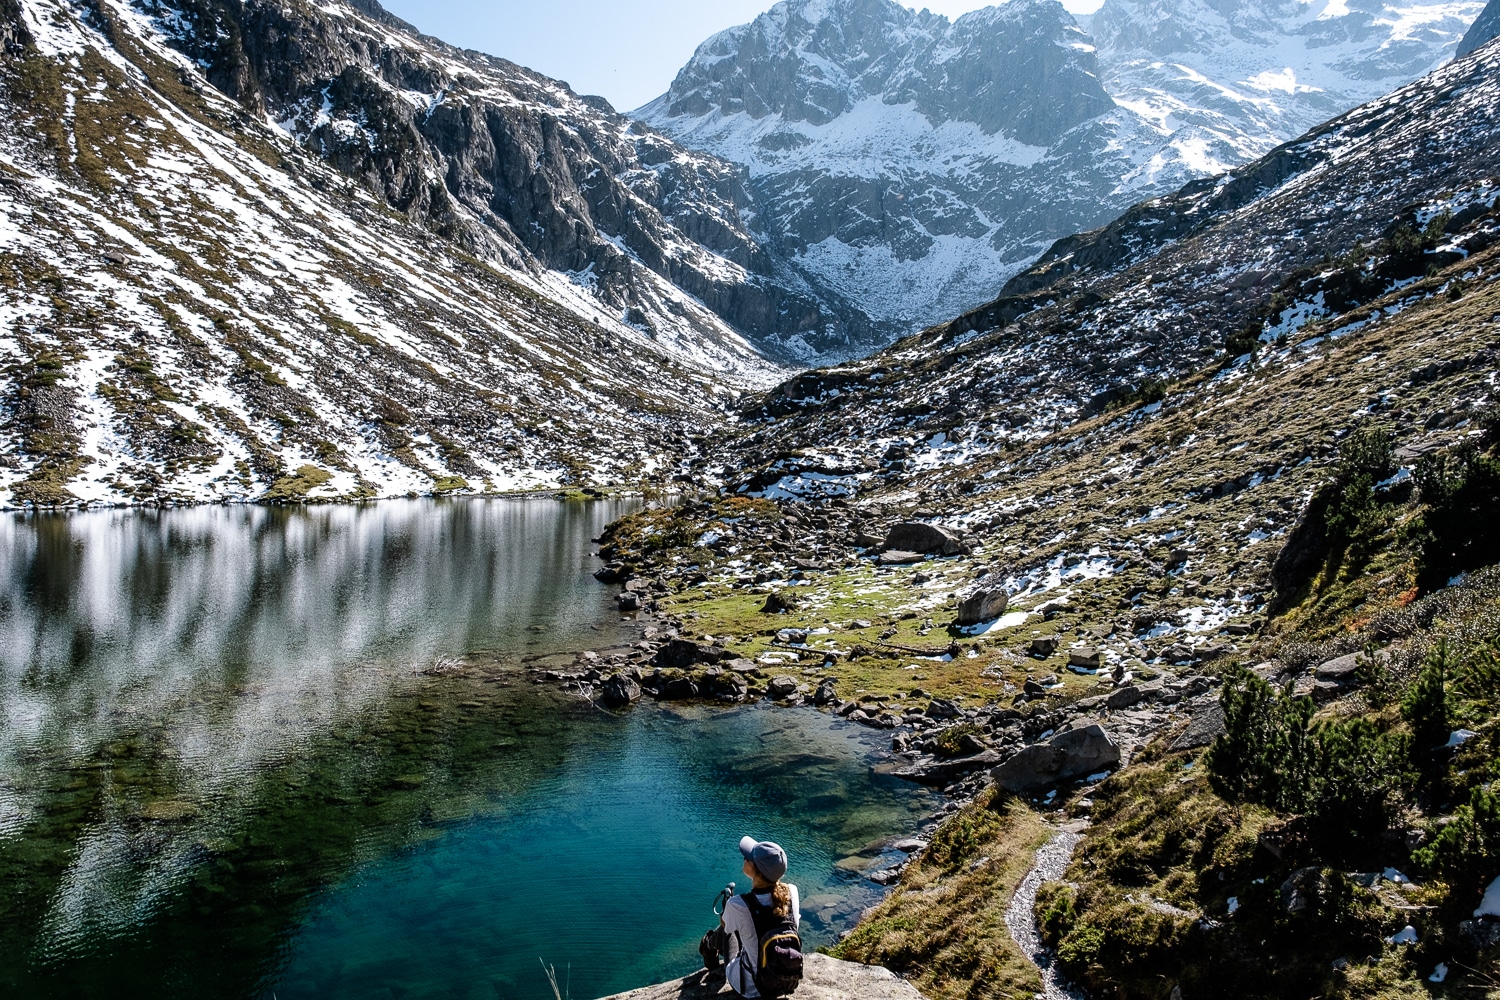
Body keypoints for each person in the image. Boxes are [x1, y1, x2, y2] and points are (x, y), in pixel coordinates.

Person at [711, 836, 802, 998]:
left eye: (747, 858)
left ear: (754, 869)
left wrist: (729, 905)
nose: (744, 859)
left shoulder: (738, 904)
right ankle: (709, 946)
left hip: (750, 987)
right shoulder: (792, 892)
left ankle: (708, 946)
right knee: (744, 925)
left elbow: (726, 927)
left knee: (728, 931)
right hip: (783, 981)